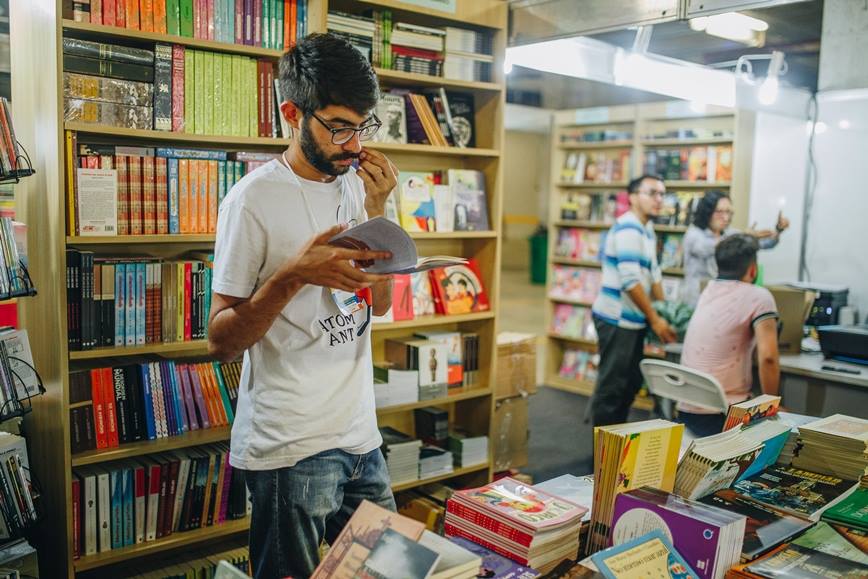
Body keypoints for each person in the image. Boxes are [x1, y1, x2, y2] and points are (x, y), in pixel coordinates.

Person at [207, 33, 399, 579]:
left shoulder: (364, 187)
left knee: (387, 572)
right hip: (290, 447)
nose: (355, 144)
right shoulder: (252, 200)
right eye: (339, 126)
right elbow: (220, 340)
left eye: (363, 127)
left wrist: (379, 211)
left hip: (361, 433)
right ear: (292, 112)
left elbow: (379, 306)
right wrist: (293, 275)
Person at [590, 174, 677, 427]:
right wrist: (656, 320)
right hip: (617, 320)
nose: (659, 199)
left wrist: (663, 314)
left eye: (662, 193)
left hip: (634, 320)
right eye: (652, 193)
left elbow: (654, 275)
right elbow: (631, 281)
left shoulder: (646, 229)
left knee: (629, 385)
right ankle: (603, 457)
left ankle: (618, 448)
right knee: (612, 390)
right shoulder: (629, 228)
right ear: (632, 197)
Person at [678, 235, 781, 437]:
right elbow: (768, 358)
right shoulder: (759, 296)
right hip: (724, 415)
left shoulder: (708, 290)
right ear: (753, 269)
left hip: (686, 410)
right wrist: (772, 406)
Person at [682, 191, 790, 307]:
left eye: (728, 212)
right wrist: (743, 237)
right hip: (697, 301)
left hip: (722, 299)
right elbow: (710, 247)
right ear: (707, 212)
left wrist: (778, 230)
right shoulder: (693, 234)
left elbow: (766, 244)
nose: (726, 217)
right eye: (719, 212)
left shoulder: (730, 233)